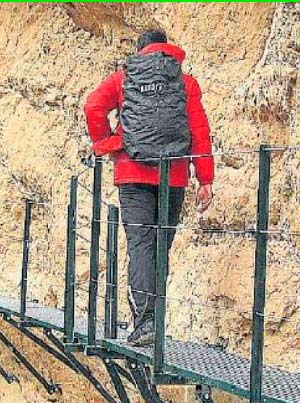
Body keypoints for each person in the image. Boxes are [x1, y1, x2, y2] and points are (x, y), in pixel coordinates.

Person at [83, 29, 215, 347]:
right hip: (175, 176)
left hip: (132, 174)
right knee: (160, 246)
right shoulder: (186, 83)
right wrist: (205, 179)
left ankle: (145, 322)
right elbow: (199, 131)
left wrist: (108, 142)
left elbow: (92, 108)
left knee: (141, 244)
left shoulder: (123, 79)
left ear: (140, 50)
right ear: (167, 49)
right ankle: (154, 319)